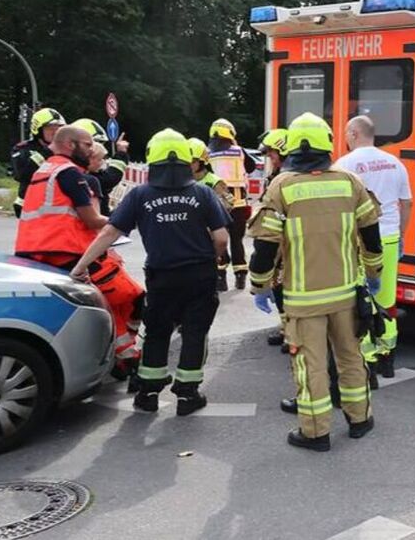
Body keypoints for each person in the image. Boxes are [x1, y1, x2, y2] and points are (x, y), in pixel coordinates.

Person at [247, 113, 383, 452]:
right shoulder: (349, 182)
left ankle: (315, 432)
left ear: (292, 146)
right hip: (346, 295)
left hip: (303, 299)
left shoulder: (282, 186)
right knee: (351, 358)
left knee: (312, 366)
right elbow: (371, 235)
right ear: (327, 143)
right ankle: (360, 419)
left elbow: (266, 245)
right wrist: (373, 274)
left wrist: (260, 285)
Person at [72, 129, 229, 415]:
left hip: (162, 276)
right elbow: (221, 238)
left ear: (151, 159)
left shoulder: (140, 195)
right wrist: (212, 259)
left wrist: (80, 267)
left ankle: (148, 393)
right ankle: (187, 394)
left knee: (156, 331)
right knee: (195, 332)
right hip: (200, 275)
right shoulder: (203, 193)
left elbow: (108, 232)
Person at [15, 125, 144, 378]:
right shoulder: (70, 173)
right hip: (67, 251)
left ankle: (124, 356)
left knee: (108, 303)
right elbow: (93, 219)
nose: (91, 149)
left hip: (34, 251)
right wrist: (130, 219)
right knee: (131, 296)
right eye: (87, 145)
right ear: (70, 145)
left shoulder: (45, 169)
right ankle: (125, 355)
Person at [336, 115, 412, 381]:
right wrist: (400, 236)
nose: (345, 139)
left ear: (354, 134)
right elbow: (407, 204)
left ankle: (366, 364)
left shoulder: (344, 165)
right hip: (389, 239)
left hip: (359, 242)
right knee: (387, 301)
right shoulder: (395, 163)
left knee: (360, 302)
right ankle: (387, 358)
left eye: (346, 134)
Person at [206, 118, 257, 291]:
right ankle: (240, 276)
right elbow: (250, 167)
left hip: (215, 203)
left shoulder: (206, 153)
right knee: (237, 240)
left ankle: (221, 278)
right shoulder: (238, 151)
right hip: (238, 204)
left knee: (218, 239)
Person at [255, 128, 291, 349]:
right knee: (278, 286)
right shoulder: (275, 176)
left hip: (288, 243)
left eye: (271, 153)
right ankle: (286, 328)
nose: (270, 158)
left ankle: (292, 333)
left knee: (287, 287)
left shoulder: (288, 177)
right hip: (277, 243)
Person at [10, 108, 67, 217]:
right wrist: (47, 152)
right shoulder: (23, 149)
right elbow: (21, 174)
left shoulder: (65, 149)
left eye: (59, 128)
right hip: (29, 205)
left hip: (57, 205)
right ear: (38, 130)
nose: (55, 132)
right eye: (50, 128)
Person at [70, 118, 129, 216]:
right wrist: (121, 154)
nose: (97, 151)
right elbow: (109, 179)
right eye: (94, 145)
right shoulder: (84, 178)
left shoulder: (74, 171)